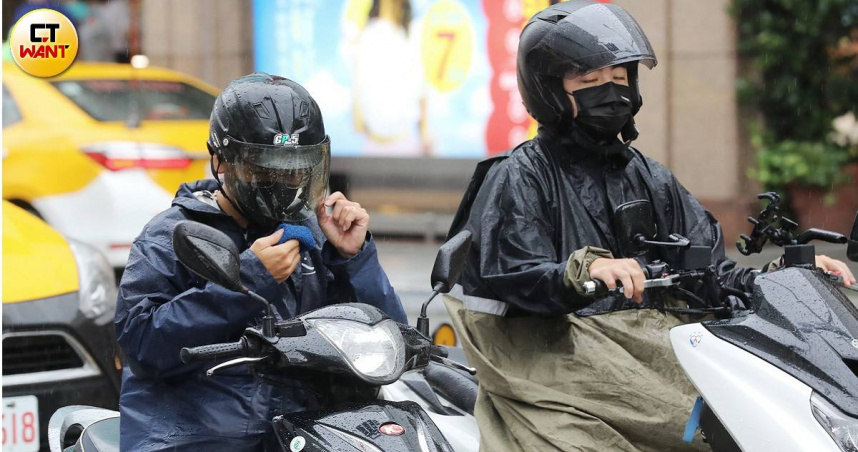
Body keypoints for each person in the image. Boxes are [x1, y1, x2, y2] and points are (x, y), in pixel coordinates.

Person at [442, 2, 857, 451]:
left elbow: (709, 270)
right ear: (549, 92)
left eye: (618, 79)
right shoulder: (519, 175)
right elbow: (511, 274)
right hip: (558, 375)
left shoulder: (648, 175)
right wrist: (582, 273)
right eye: (589, 81)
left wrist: (784, 280)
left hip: (650, 367)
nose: (611, 92)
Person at [115, 73, 407, 451]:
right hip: (201, 438)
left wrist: (353, 258)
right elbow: (141, 344)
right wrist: (247, 280)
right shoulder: (171, 234)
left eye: (297, 169)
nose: (283, 182)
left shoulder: (315, 234)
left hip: (311, 433)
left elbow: (391, 339)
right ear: (221, 162)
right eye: (264, 169)